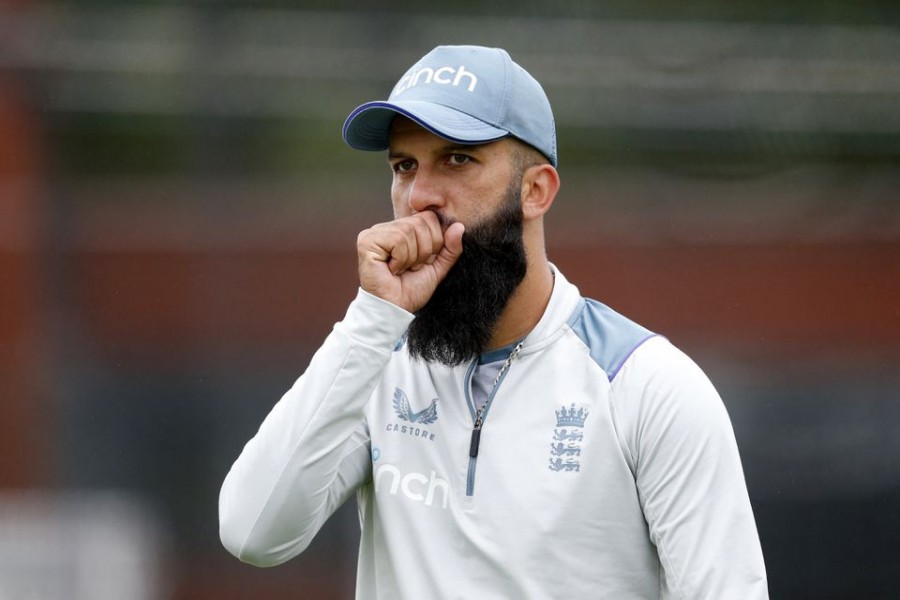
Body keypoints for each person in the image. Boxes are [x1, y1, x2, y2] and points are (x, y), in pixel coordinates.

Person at [219, 45, 768, 599]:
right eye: (404, 166)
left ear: (536, 191)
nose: (420, 197)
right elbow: (253, 533)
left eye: (458, 159)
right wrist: (371, 318)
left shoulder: (648, 387)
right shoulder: (373, 359)